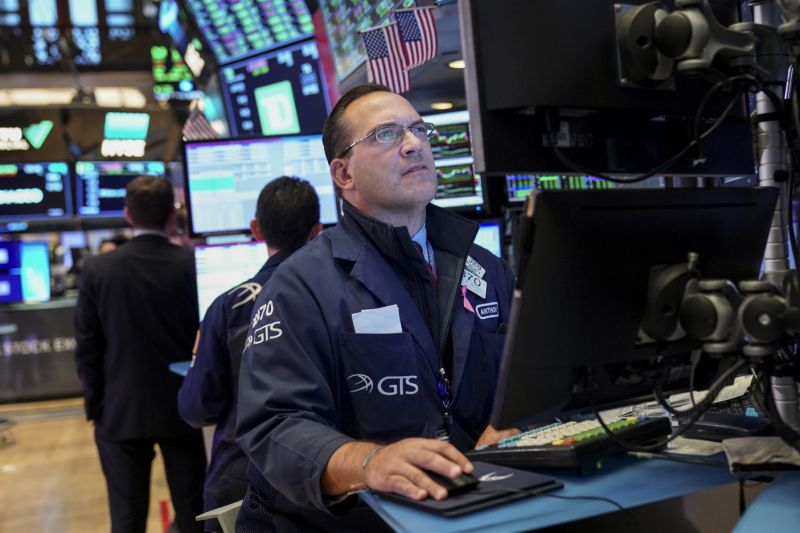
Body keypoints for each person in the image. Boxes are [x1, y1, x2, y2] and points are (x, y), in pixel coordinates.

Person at [235, 84, 518, 531]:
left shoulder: (486, 270)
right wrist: (370, 462)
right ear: (343, 173)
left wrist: (512, 425)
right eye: (386, 134)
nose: (414, 144)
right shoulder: (298, 285)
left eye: (418, 130)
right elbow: (275, 425)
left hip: (471, 508)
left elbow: (522, 381)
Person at [177, 177, 322, 530]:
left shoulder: (228, 307)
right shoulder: (342, 298)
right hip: (324, 476)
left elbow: (196, 408)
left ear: (256, 230)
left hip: (240, 482)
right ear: (317, 231)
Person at [74, 176, 206, 533]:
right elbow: (207, 338)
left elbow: (87, 345)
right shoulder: (192, 264)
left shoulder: (98, 269)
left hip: (120, 411)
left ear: (127, 214)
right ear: (170, 215)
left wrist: (96, 407)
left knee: (127, 518)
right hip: (182, 409)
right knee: (194, 514)